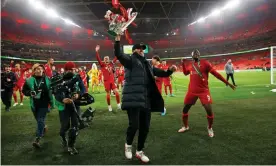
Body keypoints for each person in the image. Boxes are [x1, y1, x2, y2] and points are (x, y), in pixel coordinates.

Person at [114, 35, 177, 163]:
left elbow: (159, 72)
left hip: (145, 99)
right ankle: (128, 145)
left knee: (145, 127)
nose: (142, 50)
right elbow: (119, 54)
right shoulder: (130, 60)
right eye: (139, 49)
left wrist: (169, 71)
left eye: (143, 49)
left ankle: (139, 151)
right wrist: (117, 41)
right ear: (134, 51)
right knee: (134, 125)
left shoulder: (147, 64)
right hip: (133, 98)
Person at [178, 50, 236, 137]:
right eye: (194, 54)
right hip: (191, 92)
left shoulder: (205, 63)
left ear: (199, 55)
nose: (196, 55)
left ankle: (209, 128)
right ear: (192, 56)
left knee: (209, 111)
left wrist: (228, 83)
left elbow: (216, 74)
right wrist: (182, 63)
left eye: (197, 54)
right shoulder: (191, 65)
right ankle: (186, 126)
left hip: (203, 91)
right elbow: (185, 73)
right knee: (185, 110)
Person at [54, 61, 86, 155]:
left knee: (75, 125)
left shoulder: (77, 77)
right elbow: (56, 92)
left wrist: (78, 94)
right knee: (65, 126)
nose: (73, 71)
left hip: (75, 104)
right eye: (70, 69)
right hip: (64, 106)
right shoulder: (59, 78)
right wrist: (62, 99)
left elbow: (83, 89)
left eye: (73, 69)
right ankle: (63, 137)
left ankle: (71, 145)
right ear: (66, 70)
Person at [22, 64, 54, 148]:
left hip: (44, 104)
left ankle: (37, 139)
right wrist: (29, 93)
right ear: (34, 71)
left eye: (40, 69)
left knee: (40, 119)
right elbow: (24, 90)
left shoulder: (48, 79)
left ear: (43, 70)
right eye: (36, 69)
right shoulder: (29, 80)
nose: (38, 70)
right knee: (39, 120)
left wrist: (51, 102)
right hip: (34, 104)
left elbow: (52, 91)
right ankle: (44, 127)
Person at [95, 45, 121, 112]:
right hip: (106, 81)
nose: (106, 59)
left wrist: (117, 50)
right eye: (105, 58)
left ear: (109, 59)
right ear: (104, 60)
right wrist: (97, 51)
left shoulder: (111, 64)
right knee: (108, 94)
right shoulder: (102, 65)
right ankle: (109, 107)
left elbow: (116, 57)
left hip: (112, 81)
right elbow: (98, 58)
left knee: (117, 93)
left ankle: (118, 105)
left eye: (107, 58)